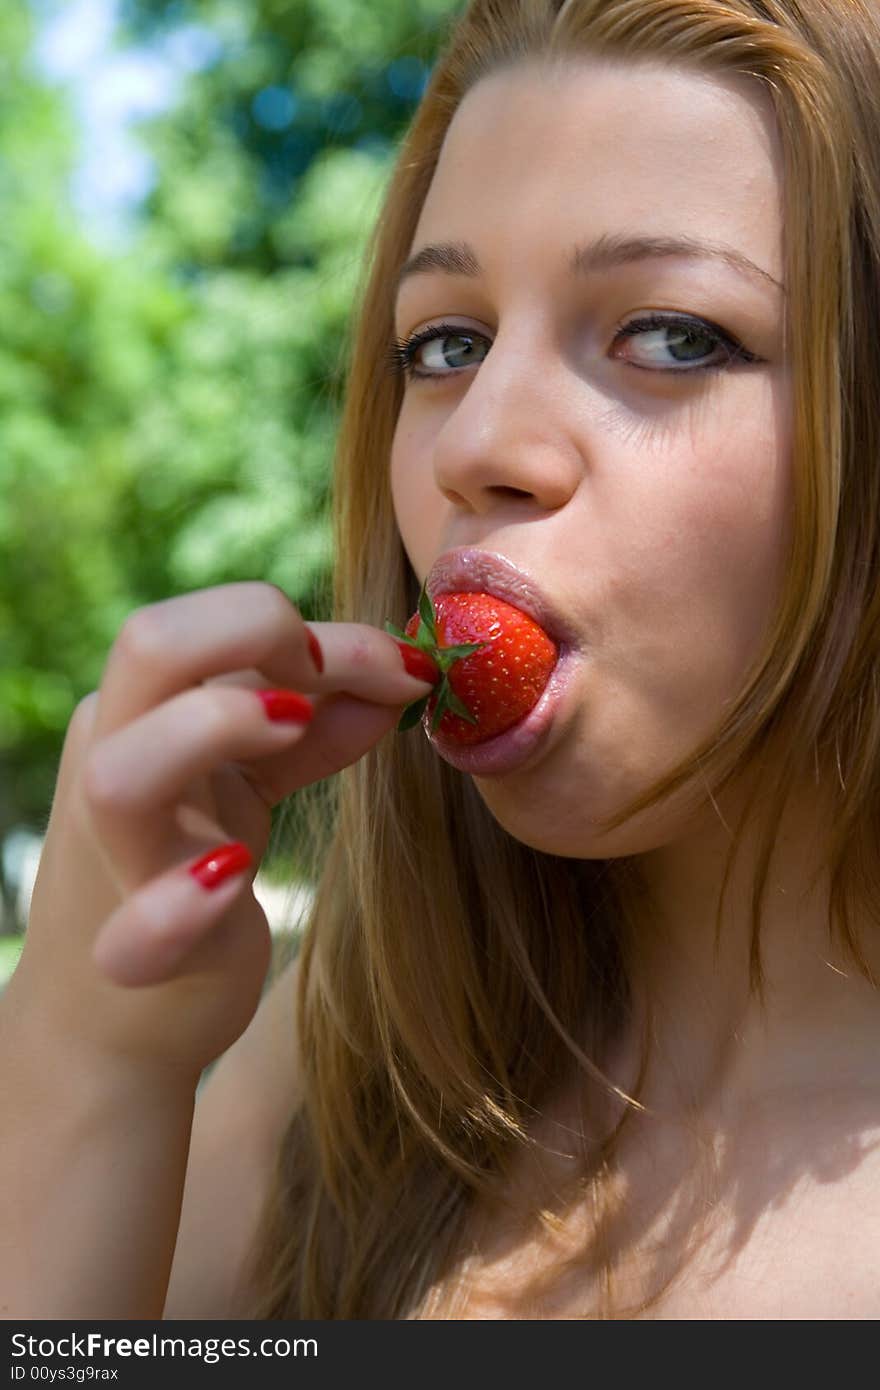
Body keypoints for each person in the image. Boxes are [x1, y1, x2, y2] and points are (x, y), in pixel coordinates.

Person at [3, 0, 880, 1321]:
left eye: (672, 333)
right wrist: (86, 1058)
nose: (477, 441)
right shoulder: (343, 1062)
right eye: (446, 343)